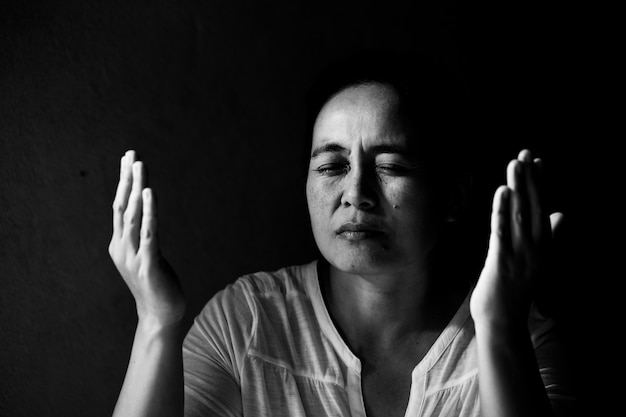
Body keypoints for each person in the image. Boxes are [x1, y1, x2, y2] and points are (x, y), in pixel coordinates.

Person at [107, 53, 576, 417]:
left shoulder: (518, 333)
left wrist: (498, 327)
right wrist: (157, 322)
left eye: (391, 167)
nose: (356, 194)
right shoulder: (247, 319)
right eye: (332, 166)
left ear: (453, 197)